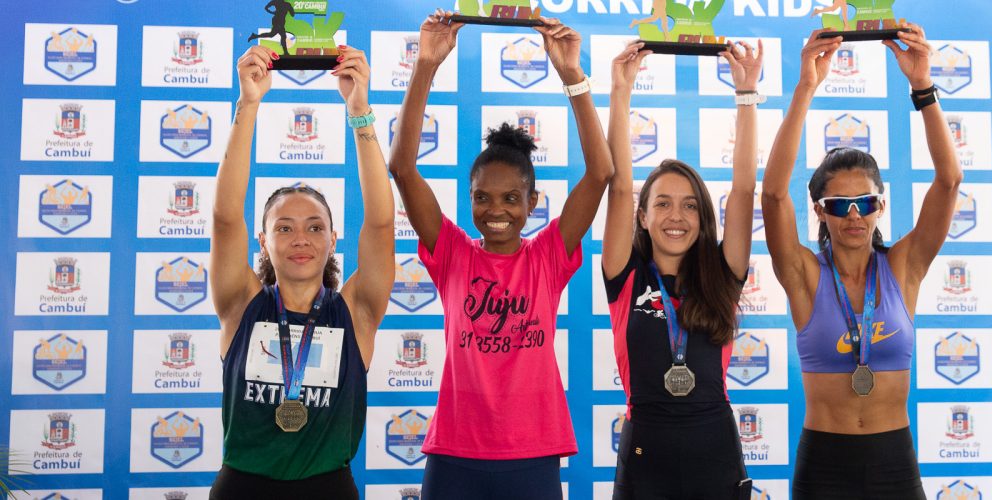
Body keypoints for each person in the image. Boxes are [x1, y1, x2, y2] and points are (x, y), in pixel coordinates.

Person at [389, 11, 612, 499]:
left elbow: (600, 174)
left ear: (533, 202)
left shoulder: (548, 256)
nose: (496, 210)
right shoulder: (451, 253)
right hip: (455, 453)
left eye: (511, 198)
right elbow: (402, 168)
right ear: (469, 199)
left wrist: (572, 76)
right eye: (483, 197)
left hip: (531, 452)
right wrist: (425, 65)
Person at [760, 24, 960, 499]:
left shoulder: (904, 267)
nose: (854, 215)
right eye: (839, 205)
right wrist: (806, 87)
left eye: (865, 203)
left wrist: (922, 87)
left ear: (881, 206)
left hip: (894, 463)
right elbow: (772, 195)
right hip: (824, 467)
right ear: (819, 211)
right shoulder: (804, 275)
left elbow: (949, 181)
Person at [209, 45, 395, 498]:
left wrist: (360, 111)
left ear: (333, 240)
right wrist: (248, 104)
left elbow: (380, 223)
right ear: (263, 241)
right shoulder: (240, 303)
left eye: (315, 227)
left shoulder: (356, 312)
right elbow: (225, 218)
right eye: (284, 228)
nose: (300, 239)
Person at [602, 40, 763, 500]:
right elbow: (619, 187)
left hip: (716, 452)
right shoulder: (624, 274)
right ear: (642, 216)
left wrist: (746, 95)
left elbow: (744, 189)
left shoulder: (722, 273)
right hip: (645, 455)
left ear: (703, 216)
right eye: (663, 204)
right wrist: (620, 92)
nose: (677, 216)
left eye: (690, 205)